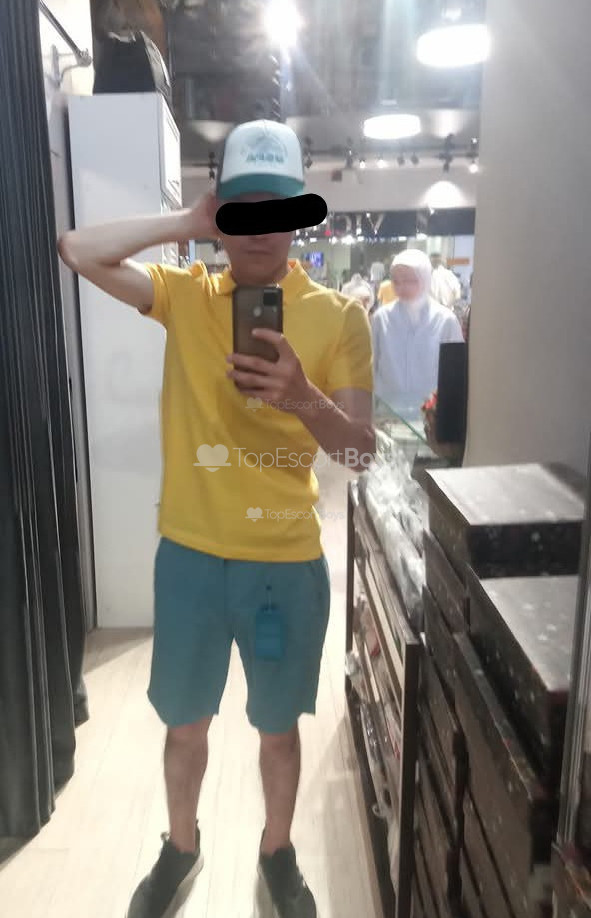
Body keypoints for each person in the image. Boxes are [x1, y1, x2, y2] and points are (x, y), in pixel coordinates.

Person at [58, 118, 374, 918]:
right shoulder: (187, 295)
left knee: (277, 729)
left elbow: (361, 453)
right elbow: (77, 249)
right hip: (192, 558)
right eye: (240, 209)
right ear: (219, 213)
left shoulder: (339, 316)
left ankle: (277, 851)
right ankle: (181, 845)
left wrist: (301, 396)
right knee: (185, 726)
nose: (259, 228)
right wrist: (186, 221)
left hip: (286, 563)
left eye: (277, 209)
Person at [372, 249, 464, 418]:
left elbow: (455, 374)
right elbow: (372, 365)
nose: (402, 287)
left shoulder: (445, 320)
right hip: (388, 414)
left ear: (425, 279)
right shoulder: (381, 318)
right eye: (396, 281)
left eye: (410, 280)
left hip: (431, 415)